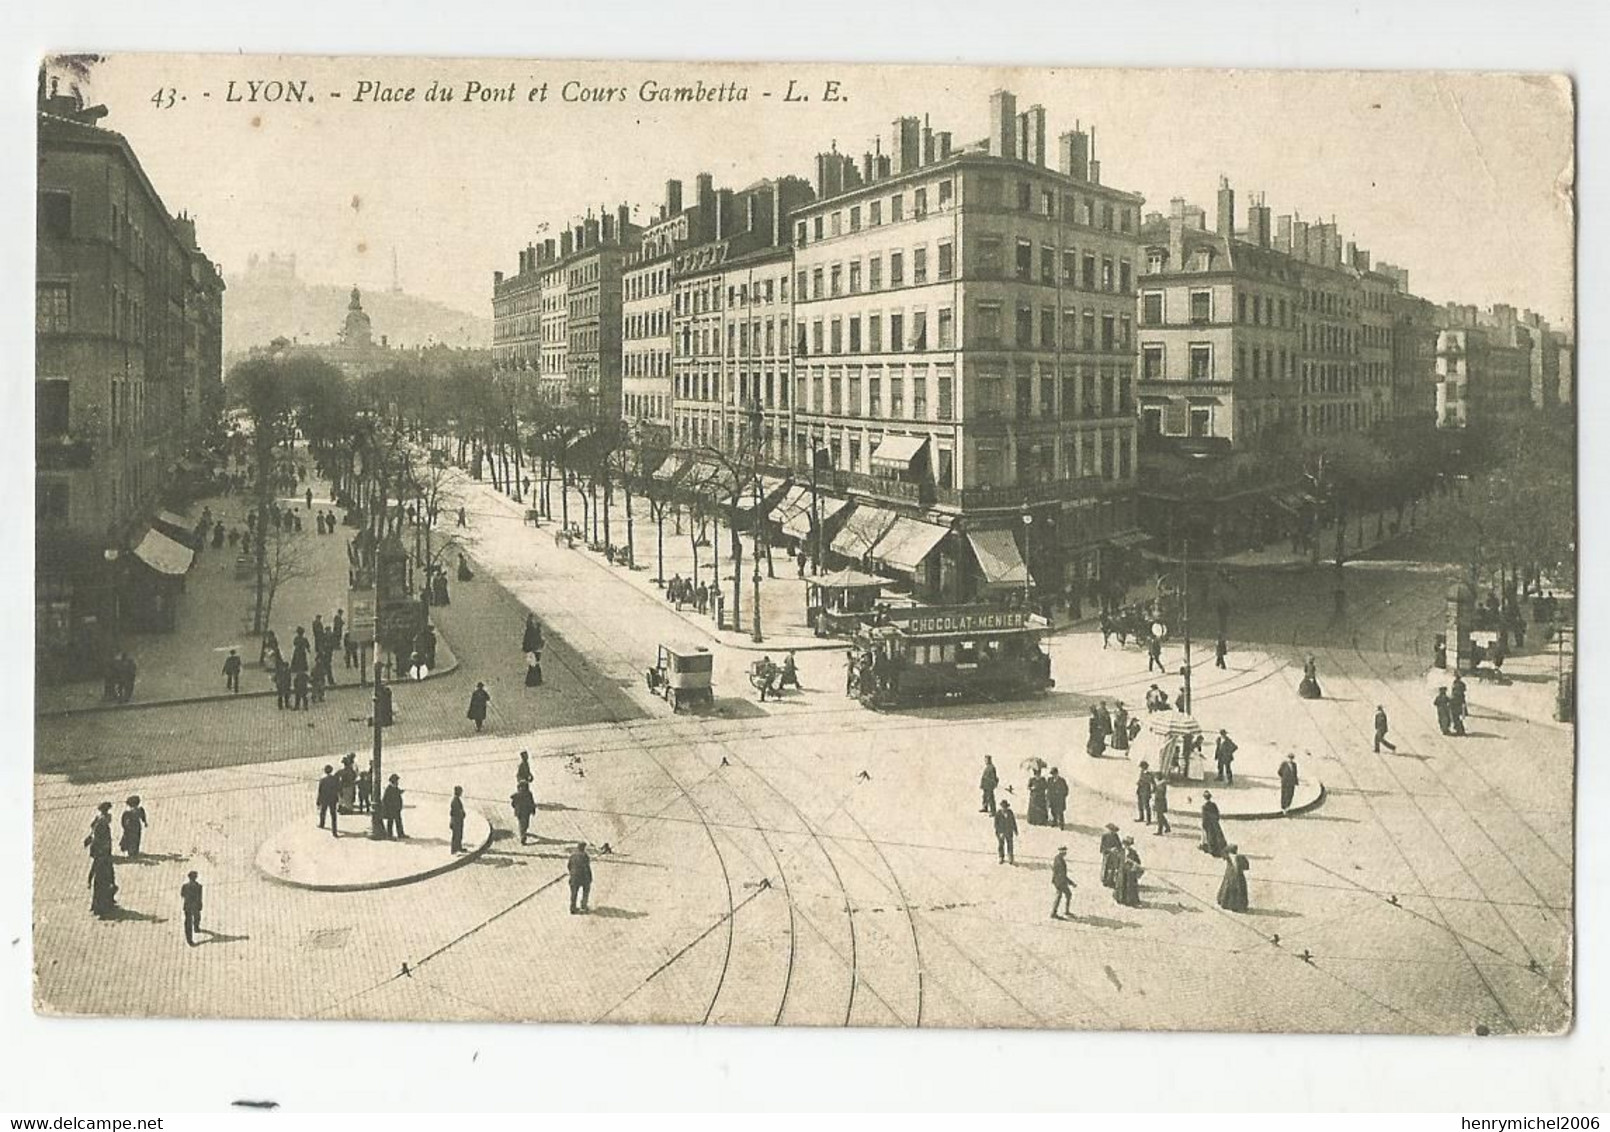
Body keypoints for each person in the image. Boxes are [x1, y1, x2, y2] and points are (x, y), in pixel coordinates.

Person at [84, 802, 117, 918]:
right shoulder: (102, 824)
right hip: (103, 860)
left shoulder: (99, 820)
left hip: (102, 858)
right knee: (105, 885)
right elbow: (100, 839)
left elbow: (93, 831)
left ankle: (99, 906)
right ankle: (103, 907)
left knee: (101, 886)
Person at [1217, 844, 1250, 912]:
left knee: (1229, 890)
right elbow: (1246, 867)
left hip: (1230, 876)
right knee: (1239, 890)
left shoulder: (1228, 857)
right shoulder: (1239, 857)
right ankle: (1238, 906)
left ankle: (1227, 904)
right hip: (1237, 876)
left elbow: (1223, 854)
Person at [1113, 837, 1143, 907]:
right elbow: (1117, 860)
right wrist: (1116, 868)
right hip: (1122, 870)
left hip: (1130, 871)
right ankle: (1120, 899)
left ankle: (1130, 900)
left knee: (1130, 886)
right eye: (1125, 844)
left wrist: (1134, 865)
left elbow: (1138, 862)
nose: (1126, 846)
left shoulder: (1133, 852)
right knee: (1121, 884)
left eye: (1128, 844)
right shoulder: (1121, 851)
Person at [1199, 790, 1228, 858]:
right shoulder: (1213, 805)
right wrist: (1216, 821)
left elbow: (1204, 817)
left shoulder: (1204, 806)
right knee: (1217, 836)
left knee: (1210, 837)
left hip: (1209, 824)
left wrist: (1204, 825)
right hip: (1215, 823)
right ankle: (1219, 849)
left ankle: (1212, 850)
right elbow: (1217, 814)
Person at [567, 842, 593, 914]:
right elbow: (587, 868)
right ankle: (583, 906)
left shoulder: (572, 856)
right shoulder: (585, 856)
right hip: (583, 877)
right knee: (586, 890)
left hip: (574, 877)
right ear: (584, 848)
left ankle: (573, 907)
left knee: (574, 893)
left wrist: (572, 873)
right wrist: (590, 877)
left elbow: (569, 866)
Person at [1050, 846, 1075, 920]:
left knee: (1063, 895)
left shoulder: (1057, 858)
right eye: (1064, 852)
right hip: (1060, 881)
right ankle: (1055, 913)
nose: (1066, 853)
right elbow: (1062, 874)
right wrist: (1071, 882)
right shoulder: (1060, 861)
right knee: (1064, 895)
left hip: (1058, 880)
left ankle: (1061, 912)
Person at [180, 870, 204, 945]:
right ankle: (196, 928)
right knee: (197, 917)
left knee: (188, 922)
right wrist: (200, 904)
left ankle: (189, 939)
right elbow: (200, 897)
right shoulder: (199, 886)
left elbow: (182, 895)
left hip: (187, 906)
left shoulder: (185, 886)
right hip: (195, 905)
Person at [317, 765, 341, 836]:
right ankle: (334, 831)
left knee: (323, 812)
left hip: (325, 798)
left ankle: (322, 824)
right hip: (333, 798)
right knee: (333, 814)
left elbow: (320, 791)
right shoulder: (335, 779)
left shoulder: (323, 780)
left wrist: (318, 801)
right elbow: (338, 788)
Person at [1099, 823, 1123, 888]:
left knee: (1113, 868)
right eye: (1111, 830)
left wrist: (1117, 850)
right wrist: (1109, 850)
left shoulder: (1116, 836)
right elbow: (1102, 847)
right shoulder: (1105, 836)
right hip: (1107, 855)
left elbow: (1119, 845)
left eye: (1113, 831)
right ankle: (1105, 880)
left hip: (1114, 855)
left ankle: (1111, 881)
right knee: (1106, 867)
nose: (1112, 832)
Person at [449, 787, 467, 854]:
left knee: (459, 834)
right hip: (456, 820)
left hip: (458, 820)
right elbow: (455, 811)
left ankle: (459, 847)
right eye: (460, 791)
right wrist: (462, 814)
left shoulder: (457, 799)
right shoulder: (455, 800)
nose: (461, 793)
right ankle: (454, 849)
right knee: (456, 835)